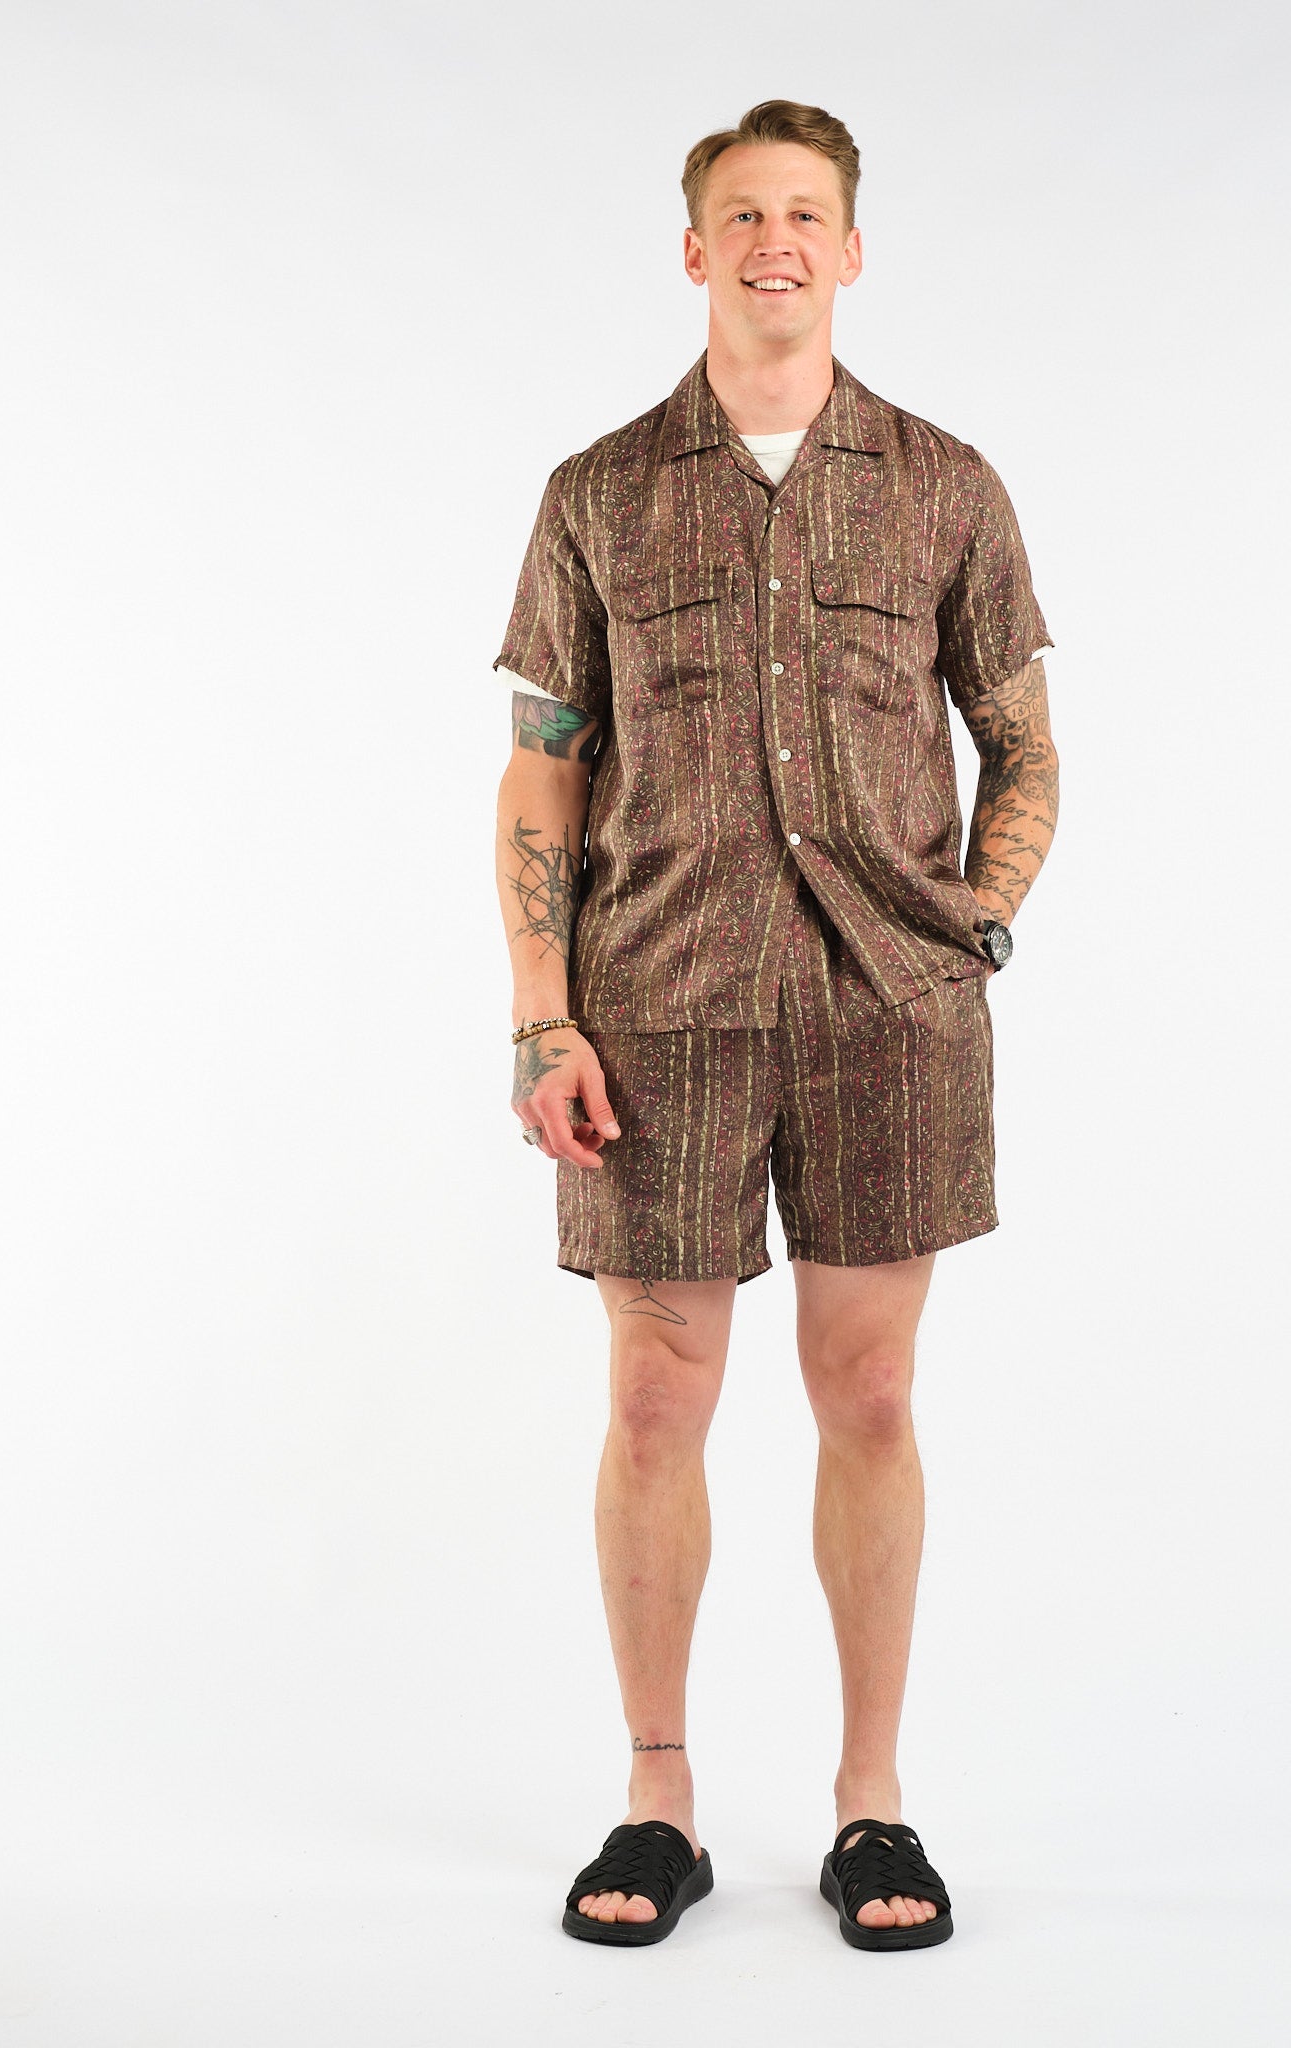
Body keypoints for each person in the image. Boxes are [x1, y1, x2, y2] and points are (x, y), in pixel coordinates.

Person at [491, 99, 1059, 1951]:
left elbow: (1024, 743)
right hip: (655, 1012)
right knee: (656, 1398)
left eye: (805, 213)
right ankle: (656, 1797)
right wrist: (542, 1019)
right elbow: (541, 772)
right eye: (740, 215)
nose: (773, 241)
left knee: (869, 1393)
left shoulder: (946, 484)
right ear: (693, 250)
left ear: (852, 248)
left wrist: (975, 923)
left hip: (890, 1010)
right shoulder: (597, 491)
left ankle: (869, 1804)